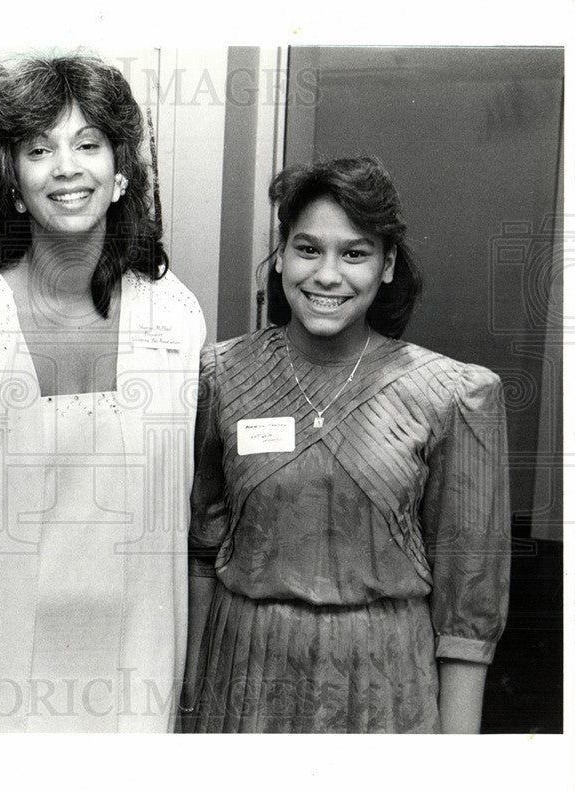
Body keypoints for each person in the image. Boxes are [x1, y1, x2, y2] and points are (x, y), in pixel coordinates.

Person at [0, 53, 206, 732]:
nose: (66, 167)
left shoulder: (175, 316)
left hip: (137, 671)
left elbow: (182, 514)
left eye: (88, 144)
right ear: (10, 179)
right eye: (40, 149)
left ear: (122, 173)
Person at [183, 156, 510, 733]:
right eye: (308, 249)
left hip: (384, 684)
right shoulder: (219, 376)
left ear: (386, 266)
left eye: (354, 253)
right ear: (280, 254)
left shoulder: (455, 396)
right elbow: (203, 555)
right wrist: (188, 709)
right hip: (242, 678)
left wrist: (461, 766)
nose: (327, 275)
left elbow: (468, 612)